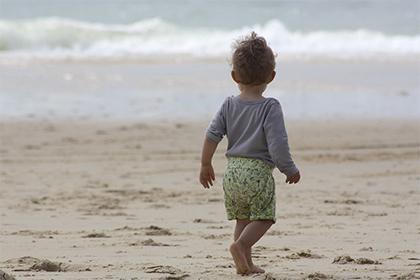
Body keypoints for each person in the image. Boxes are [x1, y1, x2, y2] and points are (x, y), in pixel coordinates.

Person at [199, 32, 301, 275]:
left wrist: (205, 164)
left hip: (233, 172)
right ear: (272, 76)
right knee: (264, 218)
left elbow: (212, 134)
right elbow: (278, 145)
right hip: (257, 172)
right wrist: (289, 168)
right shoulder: (270, 107)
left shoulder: (228, 105)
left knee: (242, 218)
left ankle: (245, 263)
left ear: (234, 76)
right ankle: (241, 246)